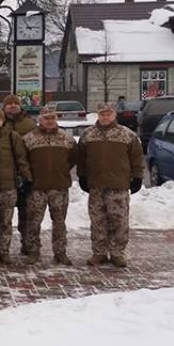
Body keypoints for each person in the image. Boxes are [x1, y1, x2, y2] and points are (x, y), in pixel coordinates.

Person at [77, 102, 145, 268]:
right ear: (97, 115)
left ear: (114, 115)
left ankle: (117, 253)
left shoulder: (127, 135)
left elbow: (137, 158)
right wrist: (82, 176)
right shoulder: (88, 135)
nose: (105, 117)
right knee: (97, 220)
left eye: (108, 114)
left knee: (119, 221)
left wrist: (137, 177)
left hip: (119, 186)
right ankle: (99, 252)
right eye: (102, 114)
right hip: (96, 185)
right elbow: (81, 159)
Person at [22, 105, 78, 265]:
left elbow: (74, 158)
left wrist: (62, 170)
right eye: (46, 118)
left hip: (59, 187)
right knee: (33, 221)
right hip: (36, 188)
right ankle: (33, 252)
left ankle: (60, 252)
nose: (50, 121)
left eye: (53, 118)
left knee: (59, 223)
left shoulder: (67, 139)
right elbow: (23, 160)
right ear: (40, 120)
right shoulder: (29, 138)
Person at [0, 107, 32, 264]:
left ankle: (4, 251)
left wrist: (26, 177)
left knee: (6, 222)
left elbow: (21, 158)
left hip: (9, 187)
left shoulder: (12, 136)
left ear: (3, 121)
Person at [2, 94, 36, 258]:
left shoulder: (29, 123)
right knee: (4, 216)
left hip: (25, 174)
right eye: (9, 104)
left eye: (16, 103)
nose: (13, 106)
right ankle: (2, 249)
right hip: (5, 174)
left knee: (27, 213)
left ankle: (28, 245)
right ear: (4, 107)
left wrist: (29, 174)